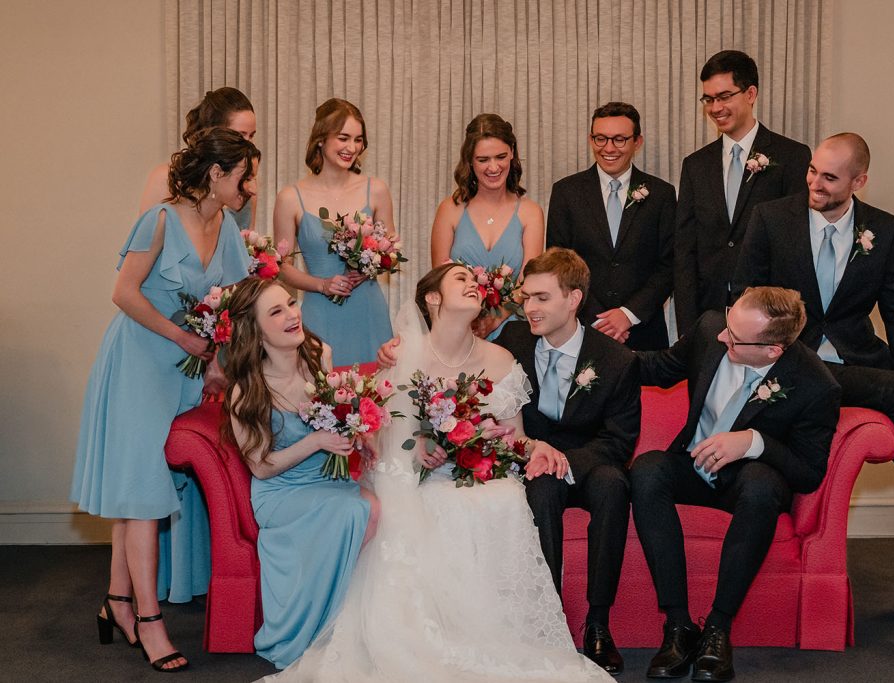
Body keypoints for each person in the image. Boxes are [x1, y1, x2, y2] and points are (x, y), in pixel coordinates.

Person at [267, 263, 610, 682]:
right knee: (437, 502)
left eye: (474, 281)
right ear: (432, 298)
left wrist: (537, 448)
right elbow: (378, 439)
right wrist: (421, 447)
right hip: (418, 479)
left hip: (481, 472)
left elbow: (515, 440)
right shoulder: (404, 354)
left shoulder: (502, 358)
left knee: (503, 497)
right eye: (460, 280)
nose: (473, 285)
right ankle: (432, 636)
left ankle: (492, 635)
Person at [733, 132, 894, 633]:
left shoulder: (883, 231)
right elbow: (745, 298)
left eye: (829, 177)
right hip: (794, 367)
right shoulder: (772, 219)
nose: (814, 183)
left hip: (859, 366)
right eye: (812, 171)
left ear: (859, 181)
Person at [71, 128, 259, 672]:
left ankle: (118, 602)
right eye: (243, 173)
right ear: (216, 174)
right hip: (138, 363)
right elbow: (123, 292)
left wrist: (218, 365)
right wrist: (183, 339)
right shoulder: (157, 220)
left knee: (142, 488)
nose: (249, 185)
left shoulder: (228, 230)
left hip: (186, 372)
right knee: (143, 492)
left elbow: (234, 307)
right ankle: (149, 621)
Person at [631, 287, 840, 682]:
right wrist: (585, 353)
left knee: (762, 484)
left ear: (772, 350)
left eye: (736, 336)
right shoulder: (713, 328)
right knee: (646, 469)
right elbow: (657, 367)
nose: (723, 337)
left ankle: (717, 629)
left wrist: (753, 442)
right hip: (692, 465)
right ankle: (678, 627)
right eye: (729, 323)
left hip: (746, 482)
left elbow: (809, 471)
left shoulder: (815, 384)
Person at [494, 248, 641, 674]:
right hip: (532, 461)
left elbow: (619, 441)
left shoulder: (617, 360)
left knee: (615, 485)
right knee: (540, 489)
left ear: (573, 299)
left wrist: (560, 459)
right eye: (526, 298)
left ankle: (598, 623)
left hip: (592, 460)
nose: (529, 308)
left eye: (541, 298)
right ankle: (549, 623)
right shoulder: (513, 341)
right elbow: (465, 360)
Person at [222, 277, 380, 669]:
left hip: (328, 480)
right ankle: (320, 627)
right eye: (276, 312)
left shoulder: (318, 356)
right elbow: (260, 466)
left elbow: (336, 420)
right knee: (357, 512)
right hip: (281, 492)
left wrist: (356, 436)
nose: (293, 315)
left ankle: (356, 622)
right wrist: (316, 442)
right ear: (255, 331)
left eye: (291, 304)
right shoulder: (247, 390)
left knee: (380, 506)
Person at [674, 50, 811, 336]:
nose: (715, 107)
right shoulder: (695, 165)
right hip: (709, 315)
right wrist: (688, 327)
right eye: (708, 99)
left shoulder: (792, 157)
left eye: (724, 97)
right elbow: (686, 250)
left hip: (770, 316)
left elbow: (797, 246)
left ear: (750, 93)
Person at [274, 98, 395, 366]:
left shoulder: (376, 190)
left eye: (358, 140)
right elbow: (281, 267)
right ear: (321, 138)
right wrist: (322, 284)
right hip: (320, 312)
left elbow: (390, 254)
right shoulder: (291, 198)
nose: (352, 148)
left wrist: (368, 267)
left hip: (368, 312)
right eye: (343, 138)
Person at [547, 102, 675, 350]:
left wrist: (628, 315)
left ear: (637, 142)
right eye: (600, 139)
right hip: (581, 327)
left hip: (643, 331)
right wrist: (600, 321)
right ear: (590, 139)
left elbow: (670, 264)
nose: (608, 148)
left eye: (619, 139)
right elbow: (557, 263)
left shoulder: (661, 194)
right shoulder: (566, 192)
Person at [430, 113, 545, 339]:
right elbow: (439, 280)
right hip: (460, 327)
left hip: (514, 328)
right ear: (470, 161)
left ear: (512, 153)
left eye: (500, 156)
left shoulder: (530, 212)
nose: (493, 167)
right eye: (483, 160)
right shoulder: (450, 209)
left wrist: (495, 318)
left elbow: (528, 281)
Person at [139, 87, 258, 229]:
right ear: (215, 132)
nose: (248, 144)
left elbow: (247, 239)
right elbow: (145, 240)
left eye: (251, 136)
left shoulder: (247, 184)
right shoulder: (166, 177)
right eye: (240, 135)